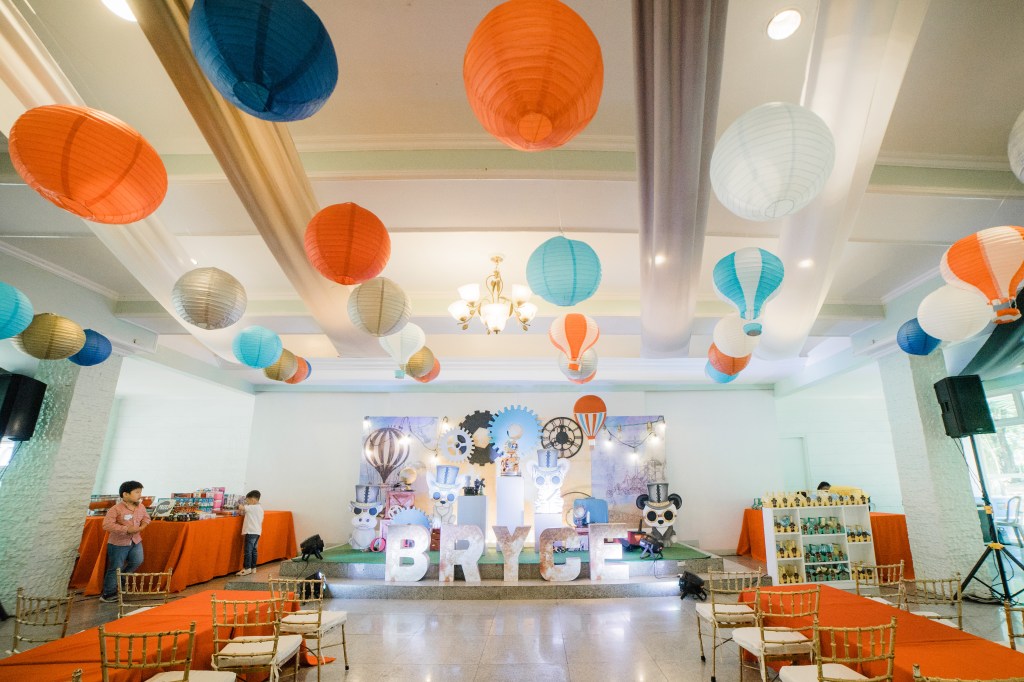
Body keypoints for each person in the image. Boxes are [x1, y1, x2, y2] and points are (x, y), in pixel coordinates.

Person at [100, 480, 151, 602]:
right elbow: (106, 525)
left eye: (140, 492)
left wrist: (142, 527)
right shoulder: (116, 509)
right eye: (137, 492)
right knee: (115, 567)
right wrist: (126, 529)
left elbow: (146, 518)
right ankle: (108, 594)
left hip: (136, 541)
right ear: (125, 494)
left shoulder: (141, 506)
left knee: (137, 561)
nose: (140, 495)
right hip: (118, 543)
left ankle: (121, 579)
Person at [237, 490, 264, 576]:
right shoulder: (260, 508)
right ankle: (253, 567)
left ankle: (247, 568)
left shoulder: (253, 507)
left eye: (247, 501)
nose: (247, 503)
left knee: (248, 551)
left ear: (253, 500)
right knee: (254, 550)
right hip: (257, 532)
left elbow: (241, 507)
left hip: (251, 531)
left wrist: (238, 503)